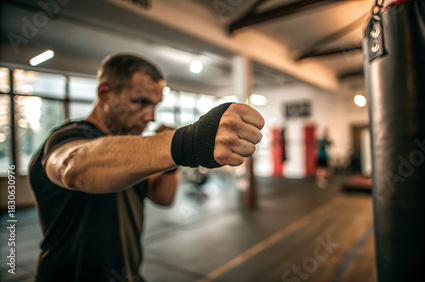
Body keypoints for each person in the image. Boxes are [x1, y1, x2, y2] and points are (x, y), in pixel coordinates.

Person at [28, 53, 265, 282]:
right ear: (106, 93)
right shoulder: (67, 137)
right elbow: (74, 168)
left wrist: (172, 162)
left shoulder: (131, 150)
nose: (150, 116)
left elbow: (163, 197)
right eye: (140, 102)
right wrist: (188, 142)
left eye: (155, 104)